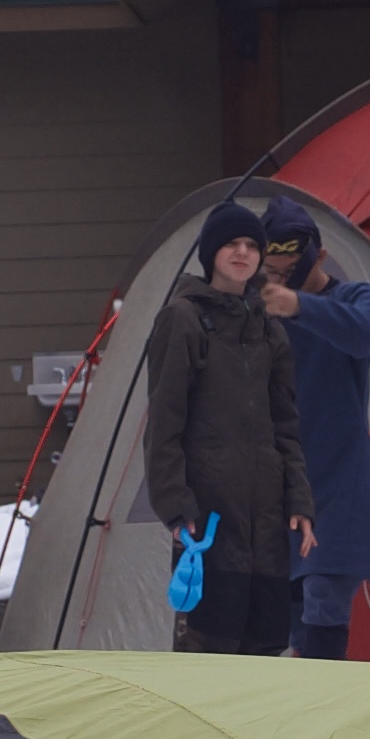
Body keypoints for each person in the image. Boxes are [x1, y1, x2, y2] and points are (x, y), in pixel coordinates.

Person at [137, 197, 311, 657]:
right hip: (210, 520)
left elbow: (286, 423)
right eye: (231, 243)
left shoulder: (269, 328)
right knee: (209, 652)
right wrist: (176, 506)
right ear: (211, 252)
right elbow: (164, 421)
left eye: (252, 244)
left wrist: (298, 497)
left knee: (266, 651)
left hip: (268, 524)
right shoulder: (184, 318)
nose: (242, 252)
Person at [259, 198, 370, 661]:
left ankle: (323, 701)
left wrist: (298, 307)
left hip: (340, 482)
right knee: (291, 609)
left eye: (289, 268)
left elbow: (362, 332)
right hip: (281, 486)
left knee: (324, 599)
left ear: (318, 256)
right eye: (270, 270)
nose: (279, 279)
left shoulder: (355, 298)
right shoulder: (259, 311)